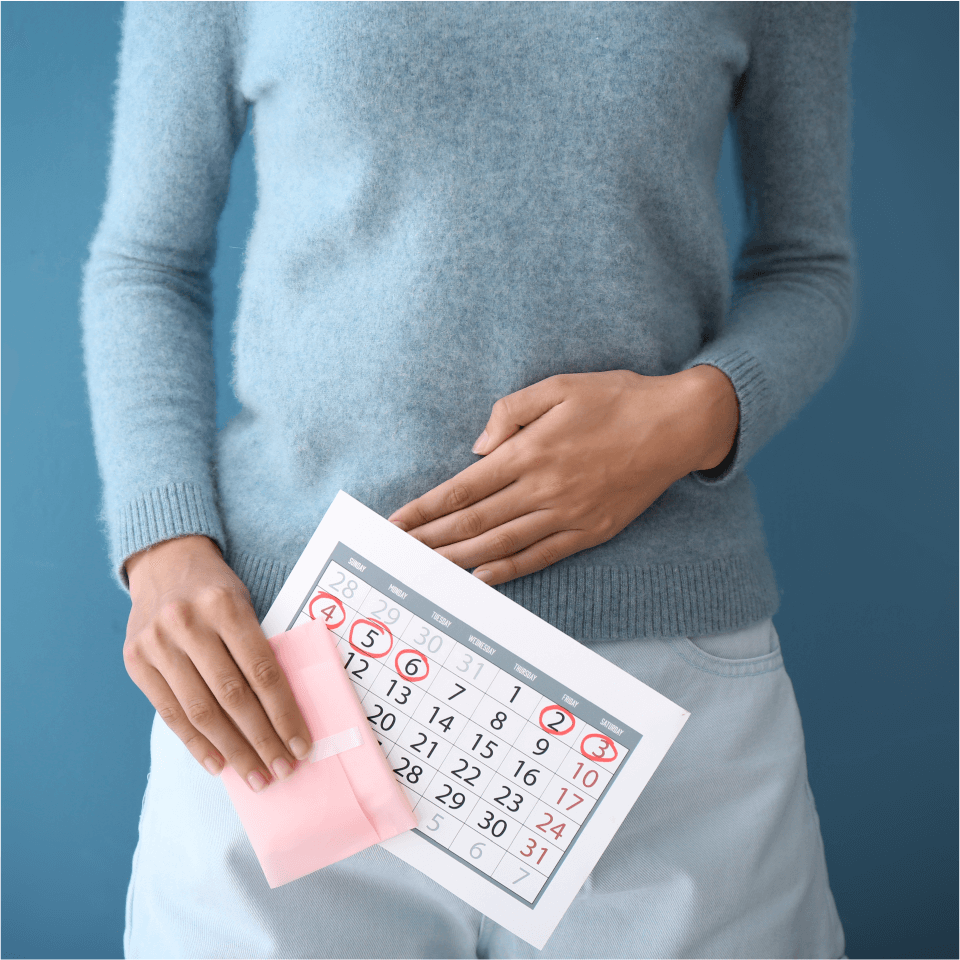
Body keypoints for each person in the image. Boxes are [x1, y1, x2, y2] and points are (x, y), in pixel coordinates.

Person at [81, 2, 855, 957]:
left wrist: (694, 414)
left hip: (664, 696)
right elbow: (147, 262)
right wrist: (163, 548)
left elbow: (808, 265)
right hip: (292, 684)